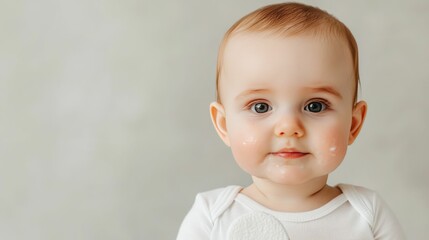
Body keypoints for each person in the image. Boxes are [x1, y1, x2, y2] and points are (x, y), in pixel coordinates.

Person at [177, 2, 405, 239]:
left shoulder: (367, 215)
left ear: (353, 124)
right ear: (224, 125)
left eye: (315, 106)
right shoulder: (212, 216)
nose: (289, 127)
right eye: (260, 106)